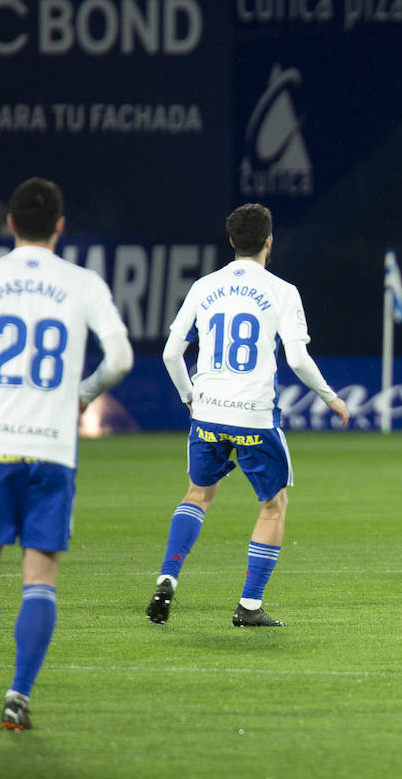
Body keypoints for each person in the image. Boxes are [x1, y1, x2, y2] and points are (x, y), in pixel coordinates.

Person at [0, 177, 133, 731]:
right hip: (52, 449)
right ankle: (19, 697)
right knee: (40, 576)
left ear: (9, 223)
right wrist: (79, 396)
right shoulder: (83, 283)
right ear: (60, 226)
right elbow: (121, 357)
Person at [148, 203, 349, 627]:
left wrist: (189, 396)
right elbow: (296, 358)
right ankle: (249, 606)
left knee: (197, 495)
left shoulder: (204, 286)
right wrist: (330, 397)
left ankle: (168, 577)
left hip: (207, 412)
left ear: (232, 242)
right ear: (269, 241)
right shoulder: (282, 290)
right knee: (273, 506)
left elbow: (170, 352)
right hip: (254, 416)